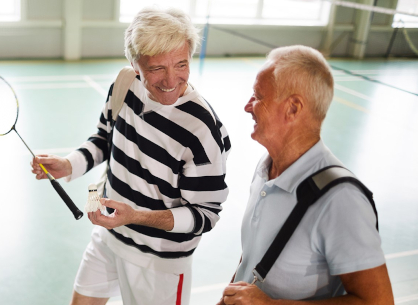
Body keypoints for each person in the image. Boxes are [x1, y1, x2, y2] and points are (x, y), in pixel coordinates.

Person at [31, 6, 231, 305]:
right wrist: (68, 164)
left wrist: (136, 217)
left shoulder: (202, 129)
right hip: (109, 237)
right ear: (135, 63)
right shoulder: (125, 85)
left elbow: (205, 214)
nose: (170, 80)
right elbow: (104, 139)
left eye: (181, 64)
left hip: (158, 260)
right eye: (156, 68)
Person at [217, 45, 393, 305]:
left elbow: (378, 302)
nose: (247, 106)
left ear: (293, 108)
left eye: (258, 96)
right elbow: (253, 259)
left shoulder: (341, 201)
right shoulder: (266, 170)